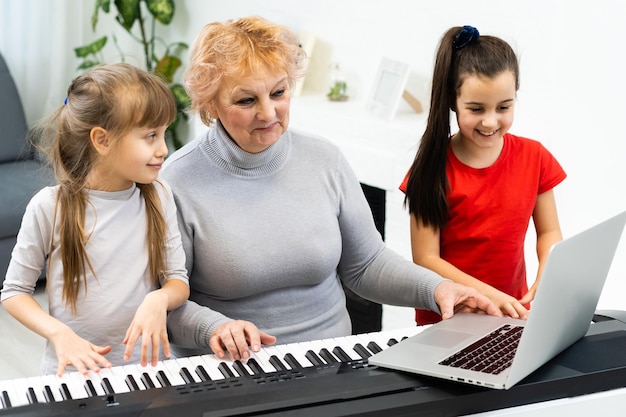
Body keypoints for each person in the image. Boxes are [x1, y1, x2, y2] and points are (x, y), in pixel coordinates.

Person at [160, 16, 501, 363]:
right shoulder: (178, 181)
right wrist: (215, 328)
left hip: (331, 363)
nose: (268, 112)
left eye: (278, 92)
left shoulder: (325, 160)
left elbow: (366, 265)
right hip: (230, 369)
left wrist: (439, 289)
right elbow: (162, 304)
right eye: (246, 101)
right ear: (211, 103)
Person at [0, 63, 190, 377]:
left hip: (149, 371)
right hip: (76, 373)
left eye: (164, 134)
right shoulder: (50, 206)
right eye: (151, 136)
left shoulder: (159, 196)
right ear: (101, 140)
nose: (164, 149)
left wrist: (160, 298)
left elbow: (177, 281)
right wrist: (60, 334)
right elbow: (14, 293)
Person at [400, 25, 567, 325]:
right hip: (446, 320)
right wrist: (491, 295)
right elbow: (426, 258)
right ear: (453, 101)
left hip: (511, 314)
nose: (490, 121)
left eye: (504, 107)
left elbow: (549, 231)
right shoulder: (430, 169)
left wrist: (549, 270)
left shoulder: (535, 157)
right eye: (476, 109)